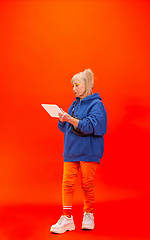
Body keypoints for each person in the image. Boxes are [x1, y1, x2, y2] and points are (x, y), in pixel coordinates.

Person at [50, 69, 107, 234]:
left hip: (88, 151)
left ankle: (88, 214)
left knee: (86, 184)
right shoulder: (74, 104)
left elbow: (94, 127)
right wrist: (63, 119)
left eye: (77, 85)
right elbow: (69, 128)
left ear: (86, 85)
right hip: (71, 151)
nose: (74, 89)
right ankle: (67, 218)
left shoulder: (97, 104)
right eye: (72, 85)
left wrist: (71, 119)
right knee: (67, 184)